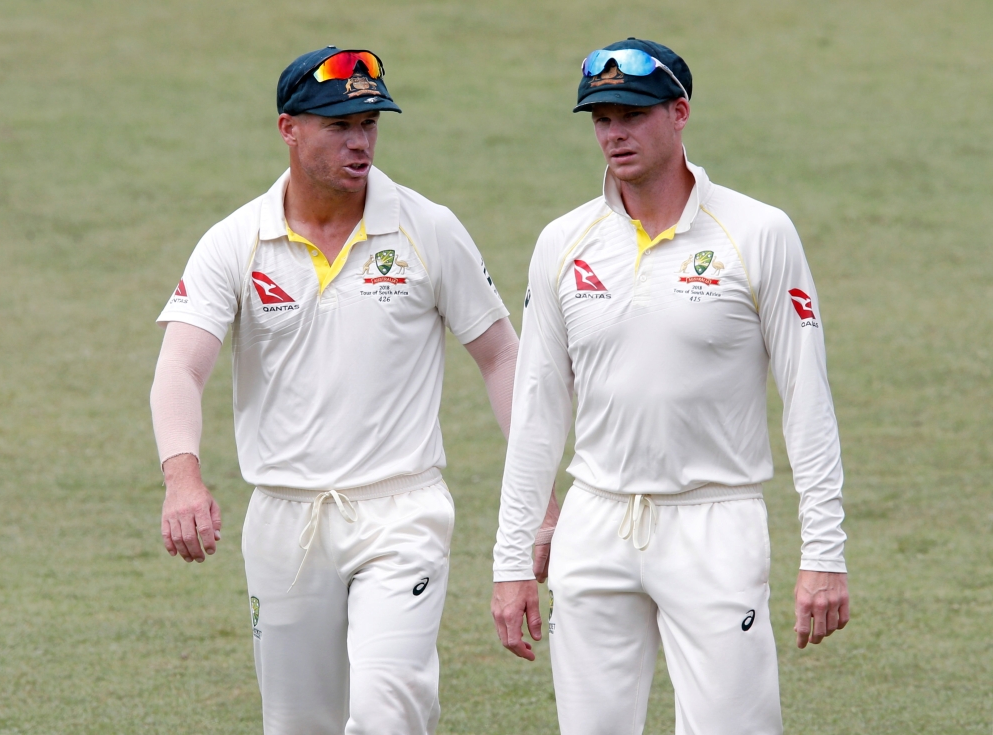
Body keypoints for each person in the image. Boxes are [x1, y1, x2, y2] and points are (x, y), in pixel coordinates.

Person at [150, 46, 522, 735]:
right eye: (339, 125)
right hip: (285, 519)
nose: (361, 142)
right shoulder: (236, 241)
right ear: (289, 128)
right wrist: (183, 476)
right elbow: (180, 366)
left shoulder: (427, 229)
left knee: (388, 712)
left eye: (371, 123)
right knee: (300, 725)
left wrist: (538, 492)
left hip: (400, 510)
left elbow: (501, 355)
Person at [490, 38, 850, 735]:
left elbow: (808, 399)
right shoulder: (562, 242)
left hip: (715, 524)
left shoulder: (759, 232)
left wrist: (825, 554)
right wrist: (511, 557)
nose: (614, 133)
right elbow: (538, 410)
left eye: (632, 114)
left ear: (679, 112)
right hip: (594, 528)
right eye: (600, 118)